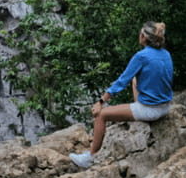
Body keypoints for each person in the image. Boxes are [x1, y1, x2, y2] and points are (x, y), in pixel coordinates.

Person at [70, 21, 173, 168]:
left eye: (140, 33)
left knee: (102, 115)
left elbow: (121, 82)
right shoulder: (166, 54)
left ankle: (90, 157)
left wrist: (100, 102)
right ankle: (139, 106)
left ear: (144, 37)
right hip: (165, 107)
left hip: (151, 110)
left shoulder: (141, 56)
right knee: (135, 80)